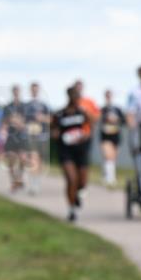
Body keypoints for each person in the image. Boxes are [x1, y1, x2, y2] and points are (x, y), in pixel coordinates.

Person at [51, 86, 92, 222]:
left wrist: (85, 136)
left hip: (80, 150)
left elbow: (90, 127)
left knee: (82, 181)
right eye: (74, 96)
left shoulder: (82, 113)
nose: (76, 99)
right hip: (66, 150)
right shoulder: (60, 114)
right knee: (71, 179)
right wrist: (56, 134)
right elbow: (53, 130)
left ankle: (78, 195)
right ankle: (71, 209)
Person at [23, 82, 51, 195]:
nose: (34, 91)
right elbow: (22, 121)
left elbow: (50, 120)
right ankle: (33, 185)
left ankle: (37, 181)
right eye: (32, 89)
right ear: (30, 91)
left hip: (43, 136)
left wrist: (42, 118)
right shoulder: (26, 106)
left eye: (36, 89)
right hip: (31, 136)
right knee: (33, 158)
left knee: (41, 161)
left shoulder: (44, 106)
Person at [2, 85, 28, 192]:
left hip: (21, 136)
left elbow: (26, 122)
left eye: (18, 92)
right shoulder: (8, 107)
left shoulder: (24, 106)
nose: (16, 93)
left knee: (23, 158)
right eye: (15, 92)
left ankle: (19, 178)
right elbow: (5, 122)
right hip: (11, 136)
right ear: (13, 93)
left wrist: (19, 123)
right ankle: (14, 181)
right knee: (11, 161)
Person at [99, 89, 125, 186]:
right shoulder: (102, 109)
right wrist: (106, 119)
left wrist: (117, 119)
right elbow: (98, 119)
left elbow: (123, 120)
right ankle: (109, 178)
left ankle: (108, 175)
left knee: (113, 157)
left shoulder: (117, 109)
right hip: (105, 135)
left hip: (115, 135)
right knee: (108, 155)